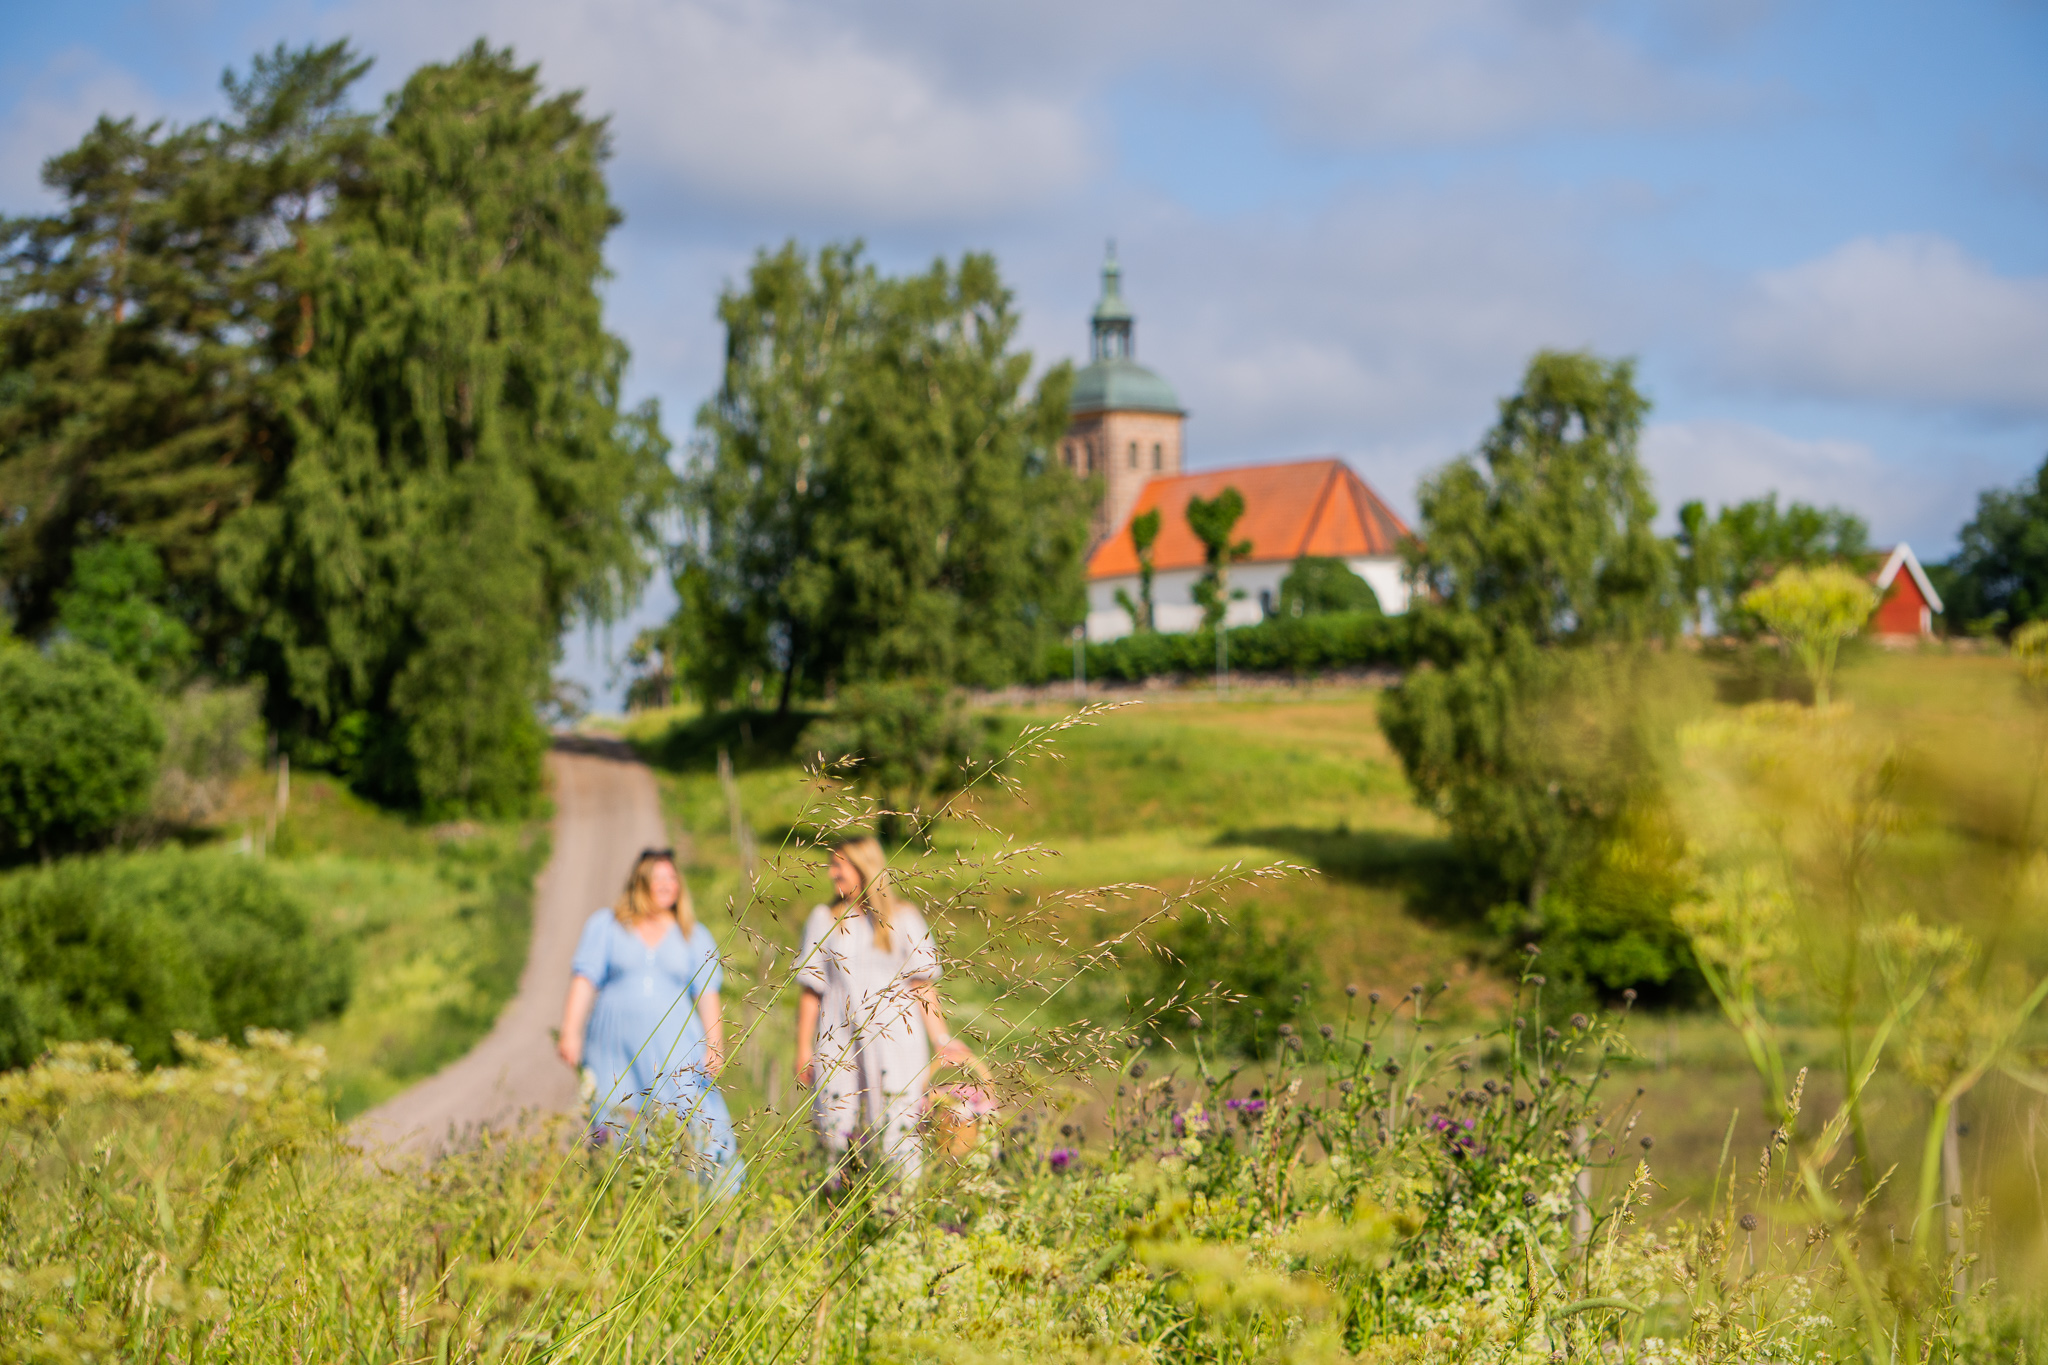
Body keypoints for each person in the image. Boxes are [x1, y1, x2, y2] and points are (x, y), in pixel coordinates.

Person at [557, 847, 743, 1189]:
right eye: (658, 877)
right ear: (640, 881)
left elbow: (707, 994)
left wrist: (715, 1044)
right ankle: (616, 1192)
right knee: (614, 1116)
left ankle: (711, 1192)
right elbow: (585, 979)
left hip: (674, 1046)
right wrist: (570, 1031)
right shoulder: (607, 925)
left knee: (695, 1115)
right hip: (613, 1047)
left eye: (672, 877)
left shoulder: (692, 933)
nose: (667, 884)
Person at [795, 836, 968, 1189]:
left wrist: (942, 1039)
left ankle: (896, 1206)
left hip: (895, 1037)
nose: (831, 874)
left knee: (895, 1123)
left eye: (838, 865)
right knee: (835, 1123)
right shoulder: (823, 919)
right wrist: (803, 1051)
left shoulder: (903, 918)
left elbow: (922, 985)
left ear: (863, 867)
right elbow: (811, 989)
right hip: (838, 1034)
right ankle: (837, 1204)